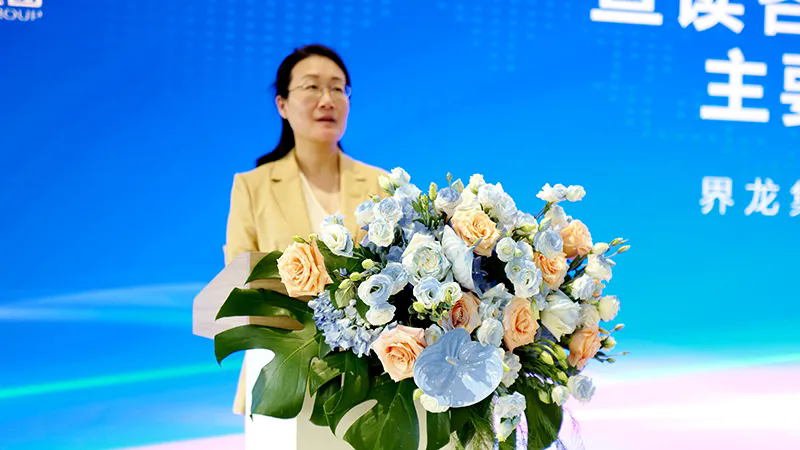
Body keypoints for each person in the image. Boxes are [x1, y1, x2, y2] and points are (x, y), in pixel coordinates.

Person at [223, 44, 386, 443]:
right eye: (312, 87)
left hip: (370, 378)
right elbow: (239, 279)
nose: (327, 100)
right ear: (282, 104)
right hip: (282, 373)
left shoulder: (380, 184)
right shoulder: (253, 186)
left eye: (338, 88)